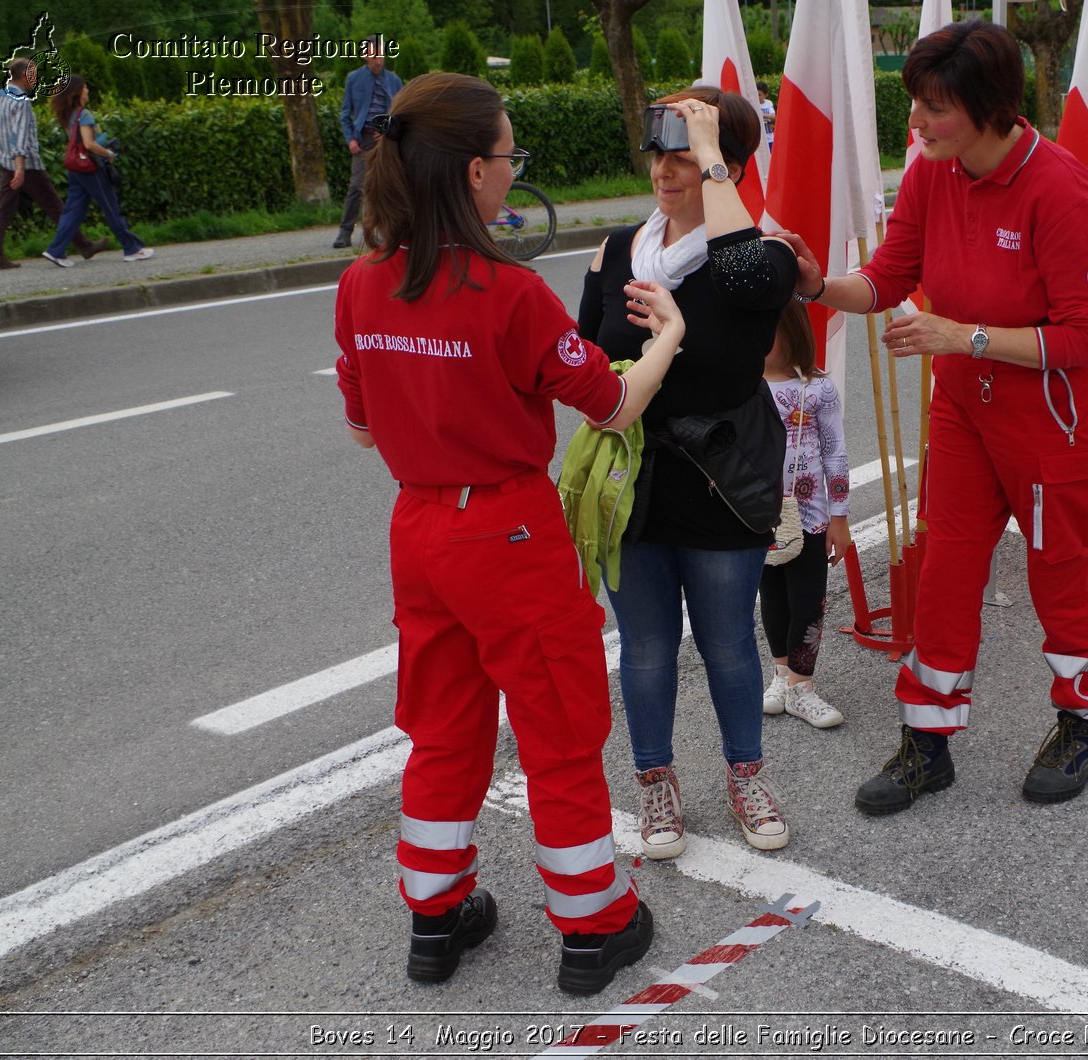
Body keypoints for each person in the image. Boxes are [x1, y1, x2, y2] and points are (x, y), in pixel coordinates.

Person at [333, 72, 682, 994]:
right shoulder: (510, 293)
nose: (512, 169)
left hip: (420, 528)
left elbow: (363, 423)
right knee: (558, 728)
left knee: (443, 728)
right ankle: (593, 924)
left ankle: (436, 915)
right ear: (474, 175)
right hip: (508, 531)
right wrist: (667, 339)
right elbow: (610, 405)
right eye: (507, 155)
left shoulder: (361, 285)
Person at [776, 19, 1088, 816]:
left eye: (935, 108)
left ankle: (1080, 725)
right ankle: (927, 742)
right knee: (944, 571)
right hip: (967, 410)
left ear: (989, 107)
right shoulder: (934, 172)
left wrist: (960, 335)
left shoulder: (1064, 190)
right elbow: (890, 275)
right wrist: (815, 283)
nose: (919, 124)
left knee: (1059, 572)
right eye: (916, 106)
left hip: (1054, 421)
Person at [578, 85, 800, 860]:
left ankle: (746, 777)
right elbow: (585, 362)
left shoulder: (761, 256)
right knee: (642, 647)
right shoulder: (617, 252)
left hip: (722, 479)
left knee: (730, 643)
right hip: (632, 484)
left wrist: (715, 158)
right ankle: (655, 785)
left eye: (688, 159)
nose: (666, 173)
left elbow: (744, 287)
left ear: (728, 169)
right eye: (659, 155)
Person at [758, 300, 850, 730]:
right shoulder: (744, 387)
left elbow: (834, 453)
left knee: (808, 601)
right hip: (758, 518)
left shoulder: (817, 389)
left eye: (766, 330)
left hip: (811, 517)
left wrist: (840, 517)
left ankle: (803, 687)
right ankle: (781, 675)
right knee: (772, 595)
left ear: (792, 331)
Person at [0, 58, 108, 269]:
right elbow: (21, 136)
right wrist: (21, 167)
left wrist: (10, 161)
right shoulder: (21, 102)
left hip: (5, 160)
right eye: (34, 74)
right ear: (25, 76)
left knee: (5, 206)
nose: (37, 78)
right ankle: (83, 245)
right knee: (54, 204)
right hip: (27, 164)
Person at [40, 77, 153, 267]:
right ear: (78, 92)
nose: (88, 91)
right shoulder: (84, 115)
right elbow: (89, 144)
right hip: (90, 169)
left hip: (75, 169)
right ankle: (132, 249)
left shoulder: (68, 114)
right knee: (111, 208)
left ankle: (55, 251)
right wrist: (108, 153)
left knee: (73, 211)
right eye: (85, 88)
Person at [334, 35, 403, 249]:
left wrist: (388, 131)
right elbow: (345, 112)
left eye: (381, 55)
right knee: (357, 186)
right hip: (363, 138)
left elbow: (400, 113)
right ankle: (345, 232)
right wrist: (351, 139)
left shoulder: (394, 80)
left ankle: (382, 230)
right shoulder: (354, 79)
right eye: (374, 55)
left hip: (385, 141)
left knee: (385, 185)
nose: (378, 60)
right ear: (365, 56)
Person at [756, 81, 776, 147]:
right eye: (756, 94)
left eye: (759, 95)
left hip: (769, 138)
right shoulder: (754, 103)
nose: (757, 97)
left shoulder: (768, 103)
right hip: (759, 140)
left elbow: (774, 116)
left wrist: (762, 115)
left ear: (766, 95)